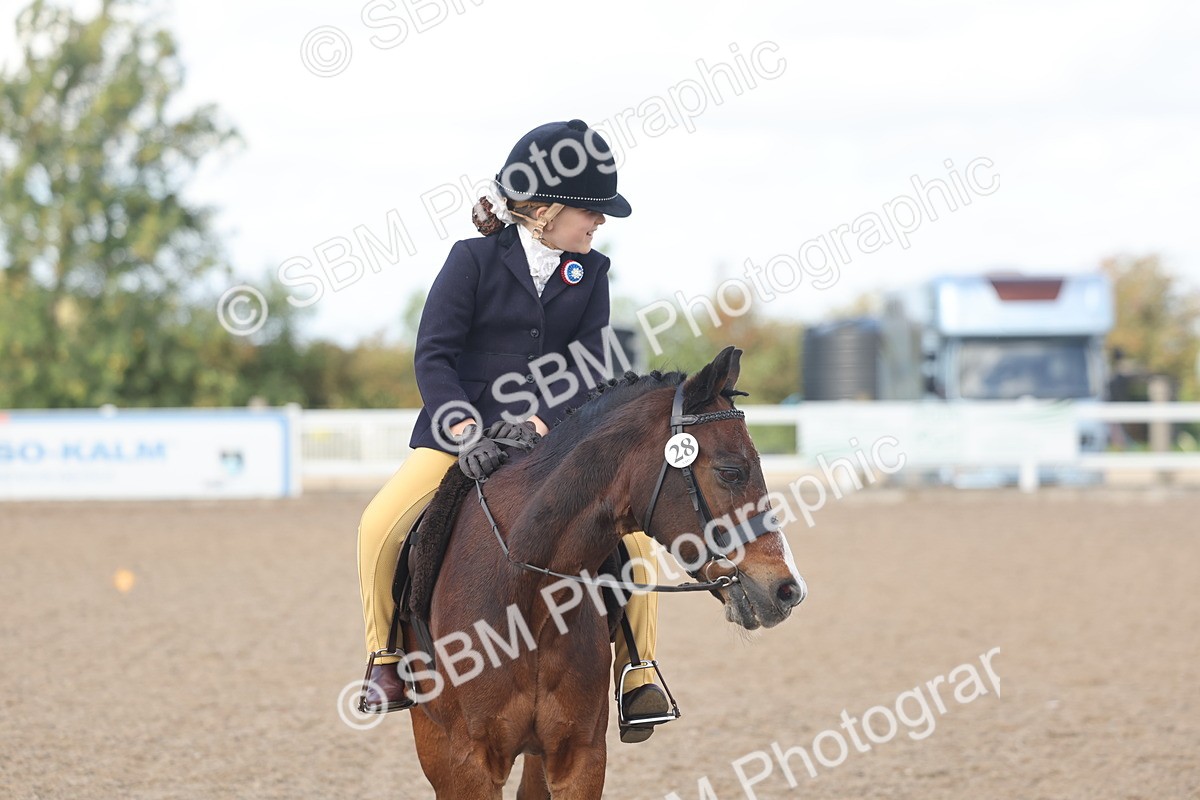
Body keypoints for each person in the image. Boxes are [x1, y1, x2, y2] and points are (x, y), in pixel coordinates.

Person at [356, 119, 672, 743]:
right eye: (592, 210)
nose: (599, 222)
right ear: (547, 209)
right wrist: (467, 429)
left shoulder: (593, 273)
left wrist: (544, 424)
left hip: (551, 443)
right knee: (378, 526)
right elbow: (434, 357)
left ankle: (638, 671)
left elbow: (592, 370)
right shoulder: (471, 260)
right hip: (459, 438)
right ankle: (385, 656)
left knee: (635, 543)